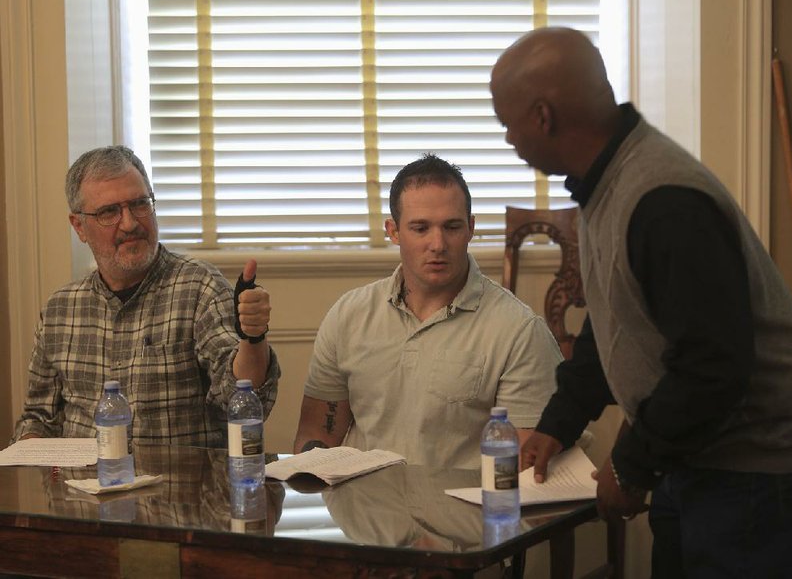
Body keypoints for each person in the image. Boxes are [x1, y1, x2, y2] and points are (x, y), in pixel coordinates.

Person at [490, 27, 792, 578]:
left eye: (506, 120)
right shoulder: (603, 183)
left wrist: (630, 467)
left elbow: (714, 365)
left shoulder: (663, 201)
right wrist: (558, 423)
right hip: (694, 464)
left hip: (751, 480)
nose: (506, 136)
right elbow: (614, 325)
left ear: (543, 116)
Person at [292, 153, 562, 470]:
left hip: (469, 514)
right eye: (420, 228)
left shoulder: (519, 331)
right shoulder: (348, 316)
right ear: (393, 231)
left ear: (471, 228)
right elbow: (316, 435)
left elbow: (525, 467)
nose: (437, 244)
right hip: (365, 509)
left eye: (452, 227)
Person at [12, 145, 280, 447]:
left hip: (180, 489)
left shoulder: (198, 287)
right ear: (79, 226)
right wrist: (42, 474)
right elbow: (38, 418)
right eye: (109, 212)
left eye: (140, 204)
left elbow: (240, 396)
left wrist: (253, 339)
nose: (130, 223)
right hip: (82, 490)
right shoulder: (60, 310)